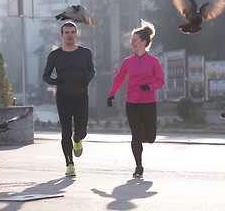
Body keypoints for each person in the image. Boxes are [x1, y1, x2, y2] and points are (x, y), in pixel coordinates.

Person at [107, 20, 165, 178]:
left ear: (144, 42)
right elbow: (118, 79)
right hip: (131, 103)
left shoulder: (154, 61)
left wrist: (150, 87)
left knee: (150, 137)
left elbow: (160, 81)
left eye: (135, 40)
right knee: (136, 135)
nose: (131, 43)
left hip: (148, 103)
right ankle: (138, 166)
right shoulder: (128, 62)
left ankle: (145, 136)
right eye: (131, 40)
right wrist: (111, 94)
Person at [43, 21, 95, 176]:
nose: (70, 35)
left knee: (82, 131)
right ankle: (69, 164)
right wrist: (54, 81)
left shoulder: (85, 53)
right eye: (67, 32)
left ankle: (77, 139)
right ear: (62, 35)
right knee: (65, 131)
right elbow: (45, 75)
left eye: (72, 32)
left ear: (76, 34)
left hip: (81, 98)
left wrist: (87, 79)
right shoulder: (55, 55)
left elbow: (92, 70)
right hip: (63, 98)